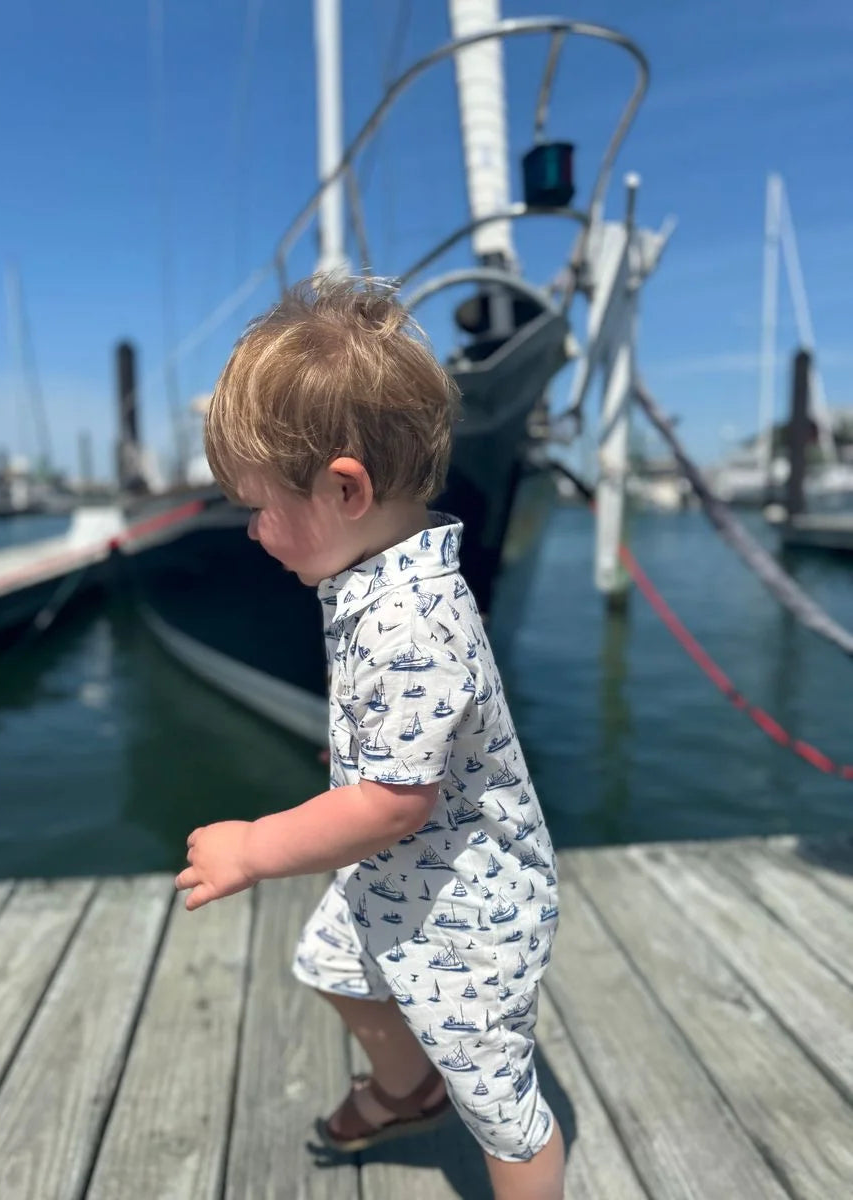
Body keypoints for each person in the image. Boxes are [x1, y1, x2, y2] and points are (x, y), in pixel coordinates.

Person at [175, 275, 564, 1200]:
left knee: (506, 1116)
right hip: (403, 875)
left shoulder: (407, 623)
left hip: (469, 912)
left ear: (344, 488)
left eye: (259, 506)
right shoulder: (378, 573)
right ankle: (406, 1087)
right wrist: (355, 758)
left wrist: (256, 847)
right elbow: (403, 753)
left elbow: (397, 802)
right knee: (332, 967)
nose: (254, 531)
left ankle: (454, 1101)